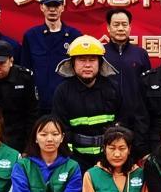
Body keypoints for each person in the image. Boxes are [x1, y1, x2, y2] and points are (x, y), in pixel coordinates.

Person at [52, 35, 139, 168]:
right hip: (75, 160)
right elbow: (60, 129)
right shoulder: (63, 91)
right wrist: (70, 161)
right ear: (73, 63)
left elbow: (124, 121)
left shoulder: (113, 88)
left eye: (92, 60)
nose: (87, 65)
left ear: (100, 63)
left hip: (110, 158)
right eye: (82, 60)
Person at [22, 0, 82, 113]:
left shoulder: (75, 36)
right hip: (38, 103)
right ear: (41, 7)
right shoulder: (31, 36)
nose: (52, 9)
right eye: (48, 5)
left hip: (67, 102)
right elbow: (25, 70)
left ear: (62, 7)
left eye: (56, 5)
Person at [103, 8, 151, 105]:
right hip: (107, 111)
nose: (121, 28)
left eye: (124, 24)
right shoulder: (101, 53)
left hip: (135, 112)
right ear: (108, 27)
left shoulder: (141, 54)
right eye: (116, 25)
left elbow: (147, 85)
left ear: (130, 27)